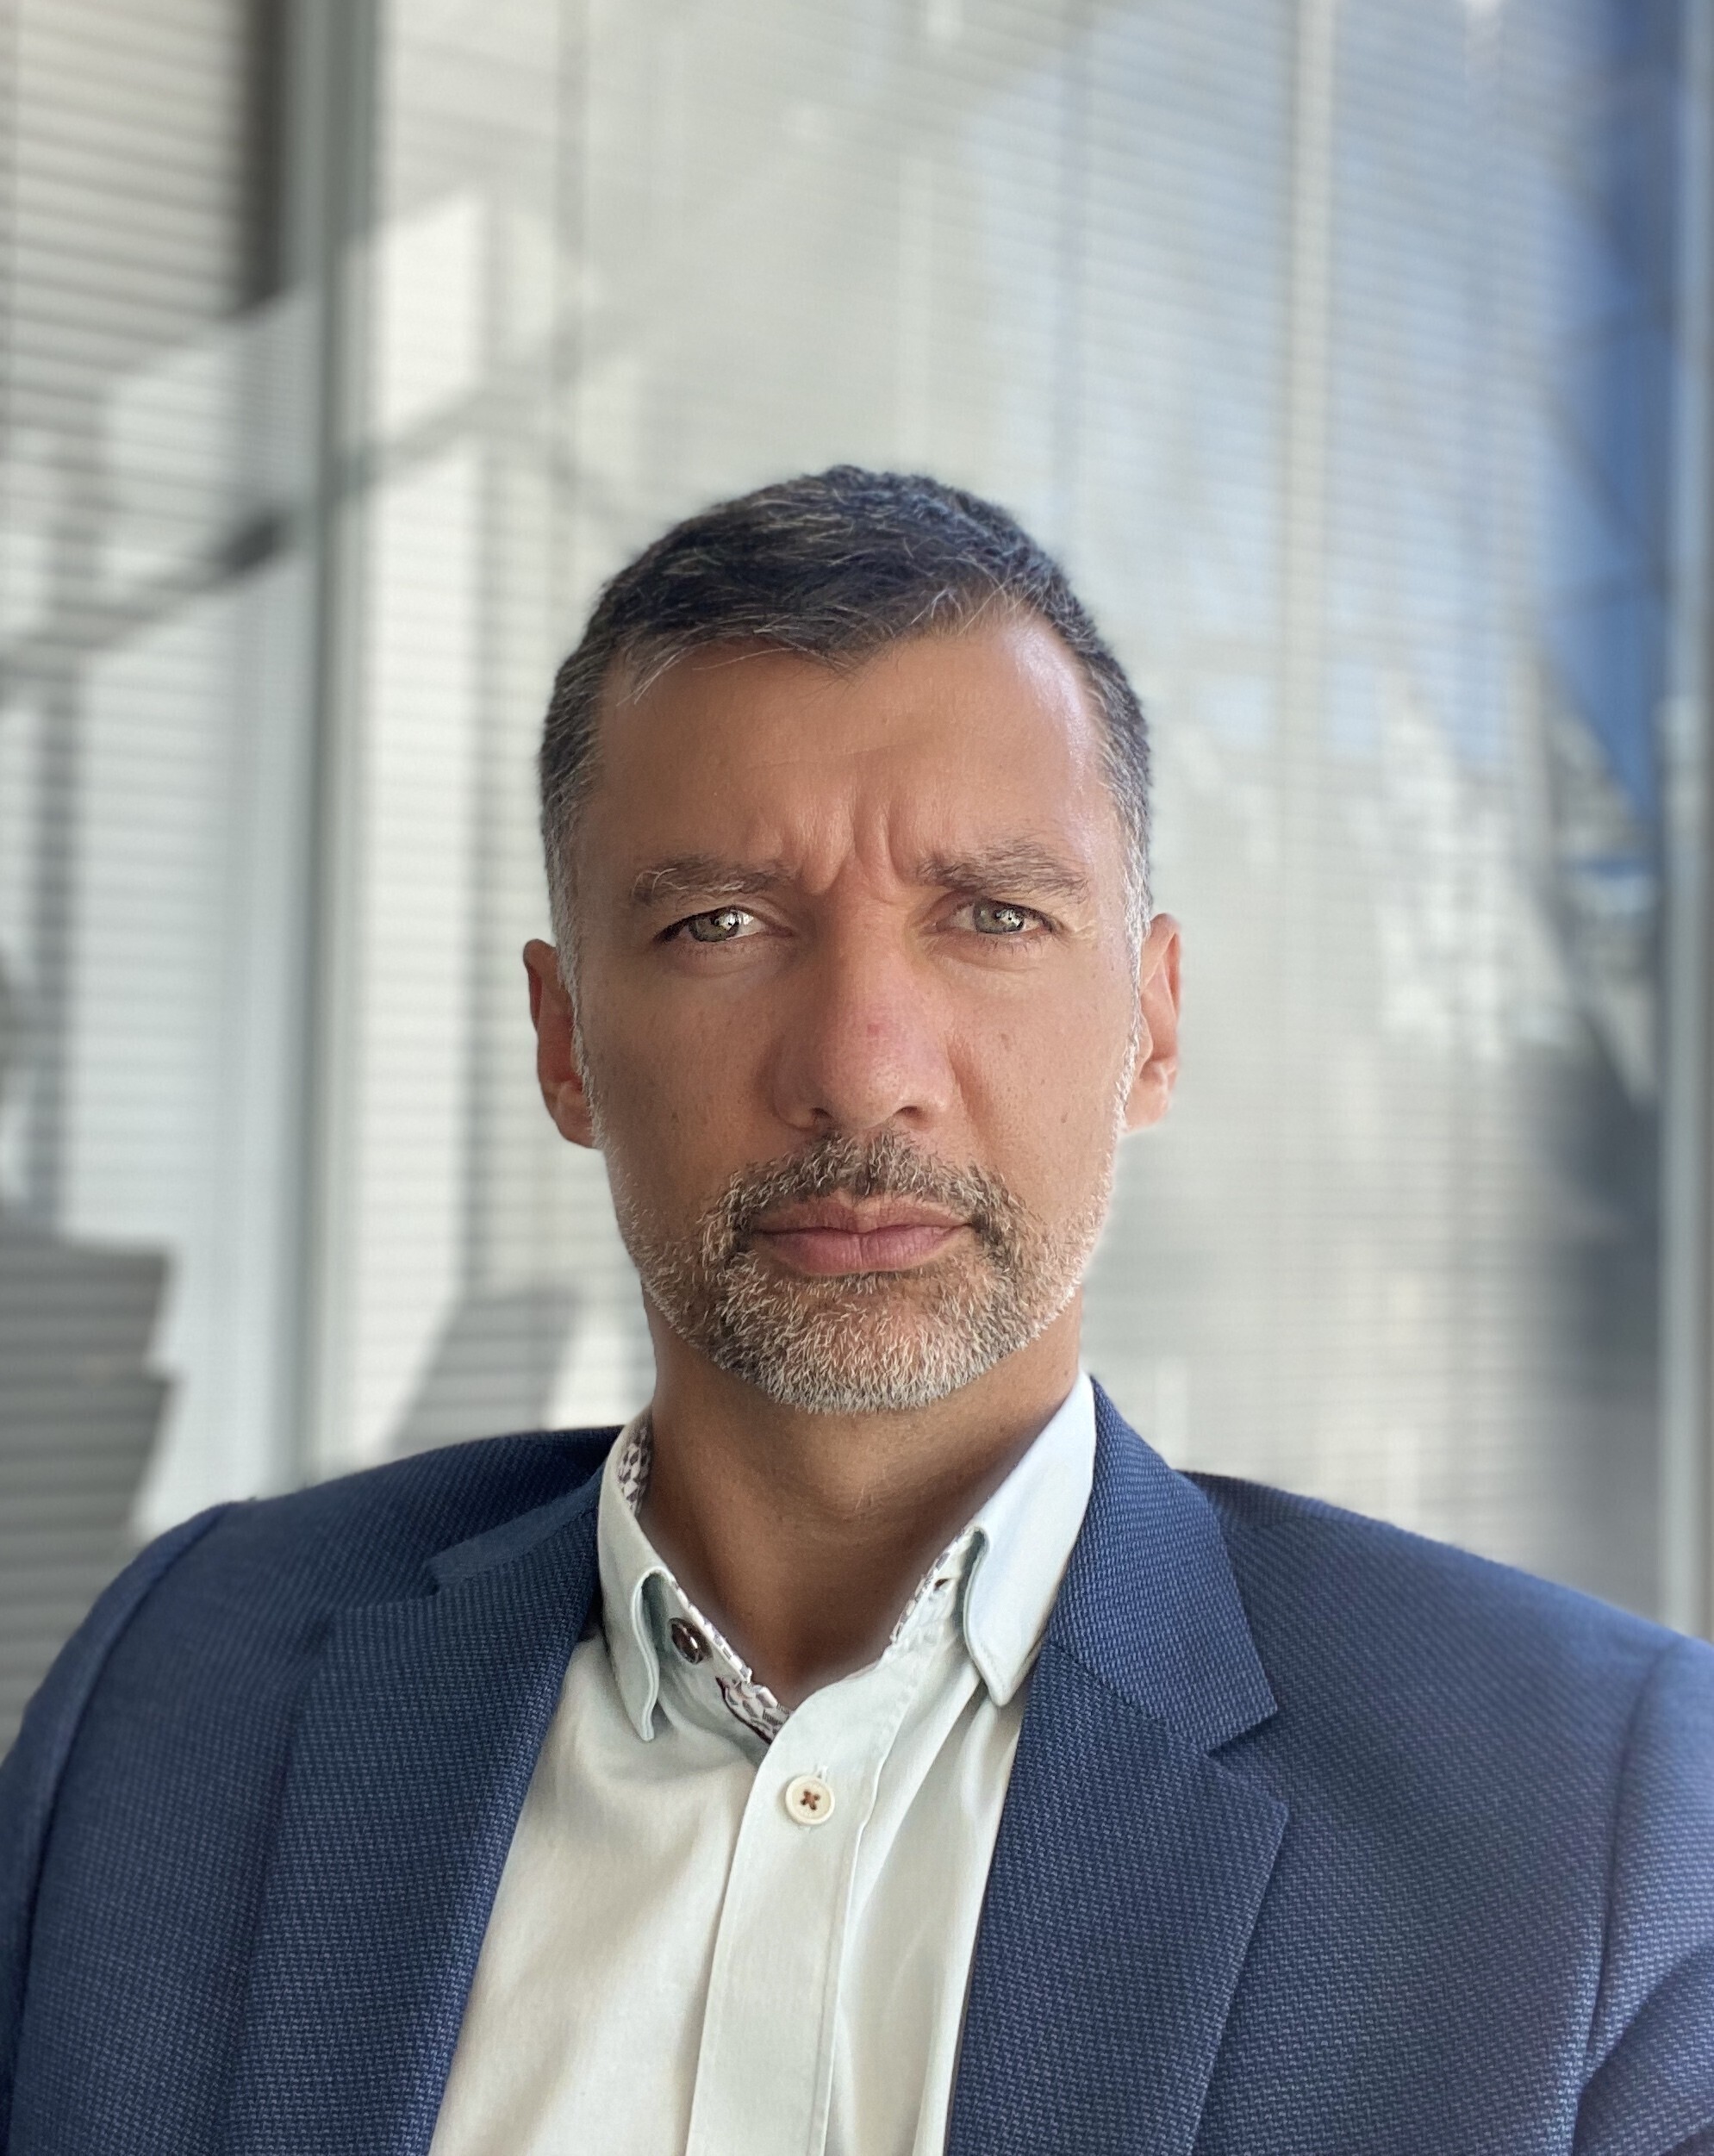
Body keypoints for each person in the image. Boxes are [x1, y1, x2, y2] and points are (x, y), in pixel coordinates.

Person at [2, 468, 1711, 2156]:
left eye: (990, 916)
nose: (860, 1069)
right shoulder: (178, 1691)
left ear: (1152, 1025)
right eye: (720, 923)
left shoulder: (1595, 1819)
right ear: (563, 1041)